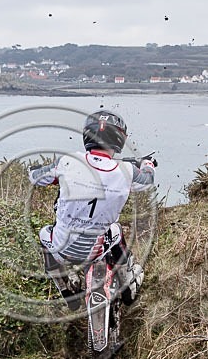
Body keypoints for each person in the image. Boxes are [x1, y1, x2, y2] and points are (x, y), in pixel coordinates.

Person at [29, 109, 156, 310]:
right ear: (120, 139)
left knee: (44, 232)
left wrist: (35, 170)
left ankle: (66, 291)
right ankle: (127, 287)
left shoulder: (68, 162)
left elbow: (37, 177)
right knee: (116, 231)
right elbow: (147, 181)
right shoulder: (127, 171)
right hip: (95, 251)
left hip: (62, 250)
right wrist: (147, 164)